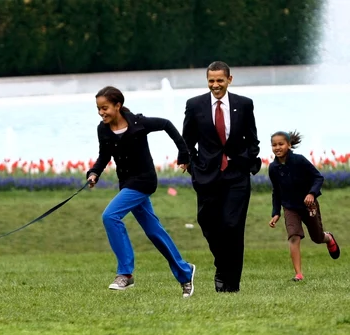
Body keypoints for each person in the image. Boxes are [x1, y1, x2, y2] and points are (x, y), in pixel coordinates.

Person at [86, 86, 196, 299]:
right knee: (154, 231)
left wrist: (184, 154)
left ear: (118, 105)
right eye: (99, 109)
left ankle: (125, 273)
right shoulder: (103, 129)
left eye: (105, 108)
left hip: (144, 181)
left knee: (110, 216)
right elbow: (104, 156)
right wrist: (94, 173)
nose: (101, 113)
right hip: (126, 182)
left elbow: (166, 124)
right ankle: (185, 272)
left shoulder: (139, 123)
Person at [181, 61, 261, 293]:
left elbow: (252, 139)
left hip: (237, 176)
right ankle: (221, 265)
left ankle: (230, 282)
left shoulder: (244, 104)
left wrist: (246, 160)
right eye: (211, 81)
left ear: (229, 80)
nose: (215, 85)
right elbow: (187, 141)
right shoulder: (195, 105)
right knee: (208, 222)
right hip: (207, 176)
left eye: (220, 80)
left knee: (232, 225)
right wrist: (194, 164)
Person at [268, 130, 340, 281]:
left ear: (289, 145)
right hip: (289, 207)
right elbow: (276, 191)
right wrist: (276, 212)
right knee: (294, 236)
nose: (277, 147)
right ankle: (299, 274)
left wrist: (311, 194)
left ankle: (328, 238)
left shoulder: (299, 160)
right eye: (274, 145)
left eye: (281, 144)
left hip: (308, 205)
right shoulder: (273, 168)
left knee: (317, 237)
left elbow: (318, 177)